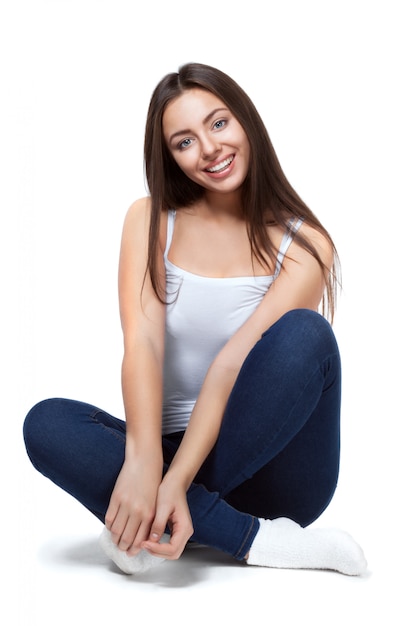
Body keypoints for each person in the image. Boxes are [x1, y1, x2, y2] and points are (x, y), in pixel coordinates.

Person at [23, 62, 367, 576]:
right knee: (47, 423)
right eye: (184, 142)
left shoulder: (305, 245)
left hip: (274, 472)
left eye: (219, 123)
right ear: (170, 157)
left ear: (246, 122)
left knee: (306, 337)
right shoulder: (150, 219)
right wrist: (141, 461)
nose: (208, 149)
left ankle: (152, 518)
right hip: (166, 445)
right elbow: (143, 344)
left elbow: (232, 363)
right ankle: (251, 539)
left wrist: (174, 480)